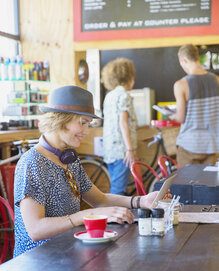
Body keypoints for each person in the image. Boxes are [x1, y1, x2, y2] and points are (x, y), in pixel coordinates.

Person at [13, 85, 159, 257]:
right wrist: (87, 215)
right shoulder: (32, 162)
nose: (86, 131)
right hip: (36, 263)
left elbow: (101, 200)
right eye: (82, 123)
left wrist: (140, 201)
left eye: (88, 124)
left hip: (67, 253)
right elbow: (36, 230)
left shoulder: (68, 158)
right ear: (60, 120)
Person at [169, 44, 219, 167]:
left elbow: (180, 118)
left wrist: (171, 116)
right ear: (197, 58)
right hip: (212, 144)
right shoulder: (217, 80)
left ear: (184, 60)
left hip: (189, 145)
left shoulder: (181, 84)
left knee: (187, 185)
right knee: (209, 185)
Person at [101, 57, 138, 195]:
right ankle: (114, 216)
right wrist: (129, 149)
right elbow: (123, 123)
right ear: (129, 77)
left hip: (110, 150)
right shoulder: (124, 95)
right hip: (122, 151)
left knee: (116, 185)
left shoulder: (109, 95)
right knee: (118, 190)